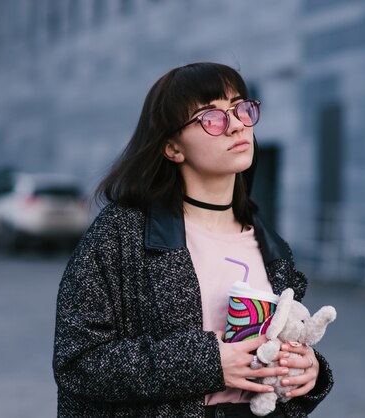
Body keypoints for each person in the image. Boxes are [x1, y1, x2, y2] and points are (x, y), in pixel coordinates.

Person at [52, 62, 333, 417]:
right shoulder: (122, 233)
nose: (235, 125)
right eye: (210, 117)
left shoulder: (272, 246)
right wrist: (207, 363)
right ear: (173, 148)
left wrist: (309, 372)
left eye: (240, 108)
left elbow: (279, 344)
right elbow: (77, 363)